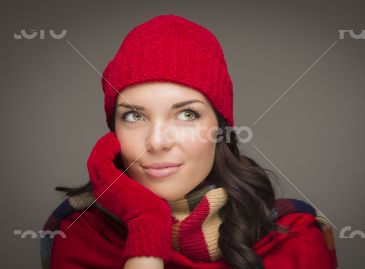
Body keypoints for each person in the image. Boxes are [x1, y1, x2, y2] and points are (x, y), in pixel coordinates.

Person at [40, 14, 338, 269]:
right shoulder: (76, 233)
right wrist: (147, 225)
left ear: (219, 127)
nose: (157, 142)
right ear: (113, 133)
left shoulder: (295, 236)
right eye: (132, 116)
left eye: (186, 114)